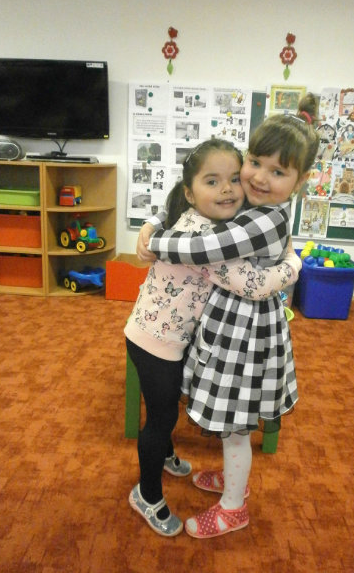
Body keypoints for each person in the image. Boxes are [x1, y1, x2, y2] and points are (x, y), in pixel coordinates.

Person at [138, 94, 320, 539]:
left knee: (236, 424)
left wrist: (154, 243)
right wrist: (154, 219)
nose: (258, 178)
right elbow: (183, 197)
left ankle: (234, 507)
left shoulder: (263, 220)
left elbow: (206, 249)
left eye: (278, 172)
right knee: (228, 418)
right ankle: (232, 478)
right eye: (255, 163)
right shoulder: (251, 204)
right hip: (227, 327)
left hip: (245, 333)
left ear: (300, 181)